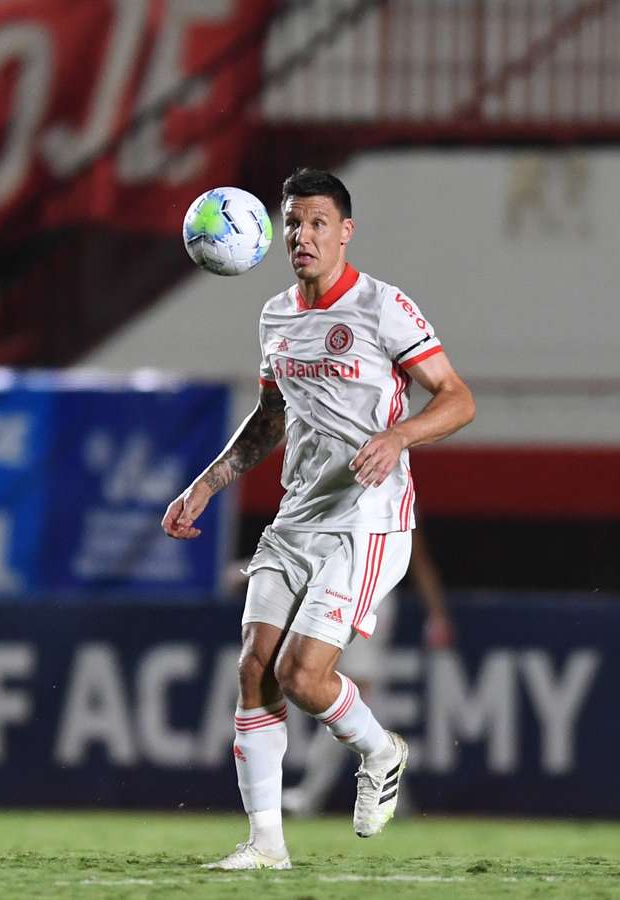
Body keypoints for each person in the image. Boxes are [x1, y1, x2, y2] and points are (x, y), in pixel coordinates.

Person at [162, 169, 475, 870]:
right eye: (293, 224)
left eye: (317, 224)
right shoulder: (276, 317)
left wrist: (399, 436)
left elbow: (458, 398)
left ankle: (380, 750)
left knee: (303, 676)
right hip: (295, 519)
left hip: (367, 521)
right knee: (254, 670)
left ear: (345, 232)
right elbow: (270, 418)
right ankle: (266, 844)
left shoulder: (383, 307)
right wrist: (206, 485)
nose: (303, 236)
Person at [280, 525, 454, 815]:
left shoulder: (393, 498)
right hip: (334, 592)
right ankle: (392, 793)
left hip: (369, 597)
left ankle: (311, 794)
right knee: (359, 699)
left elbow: (417, 556)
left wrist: (437, 614)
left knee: (354, 693)